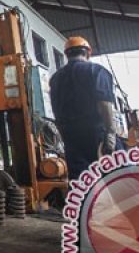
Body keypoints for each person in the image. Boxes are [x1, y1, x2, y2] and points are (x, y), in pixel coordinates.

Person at [49, 37, 117, 180]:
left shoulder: (55, 79)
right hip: (96, 134)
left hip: (70, 136)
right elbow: (104, 104)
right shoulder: (97, 70)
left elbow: (56, 111)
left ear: (67, 55)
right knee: (114, 177)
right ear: (88, 53)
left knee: (81, 182)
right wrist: (110, 132)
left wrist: (64, 137)